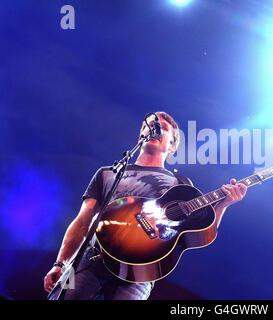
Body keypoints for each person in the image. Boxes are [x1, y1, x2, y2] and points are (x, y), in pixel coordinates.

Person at [43, 111, 247, 300]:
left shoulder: (180, 185)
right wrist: (60, 263)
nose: (156, 128)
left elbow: (196, 233)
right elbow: (82, 221)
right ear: (141, 136)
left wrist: (224, 205)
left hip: (140, 272)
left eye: (164, 128)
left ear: (172, 146)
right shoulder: (108, 173)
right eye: (151, 126)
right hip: (88, 259)